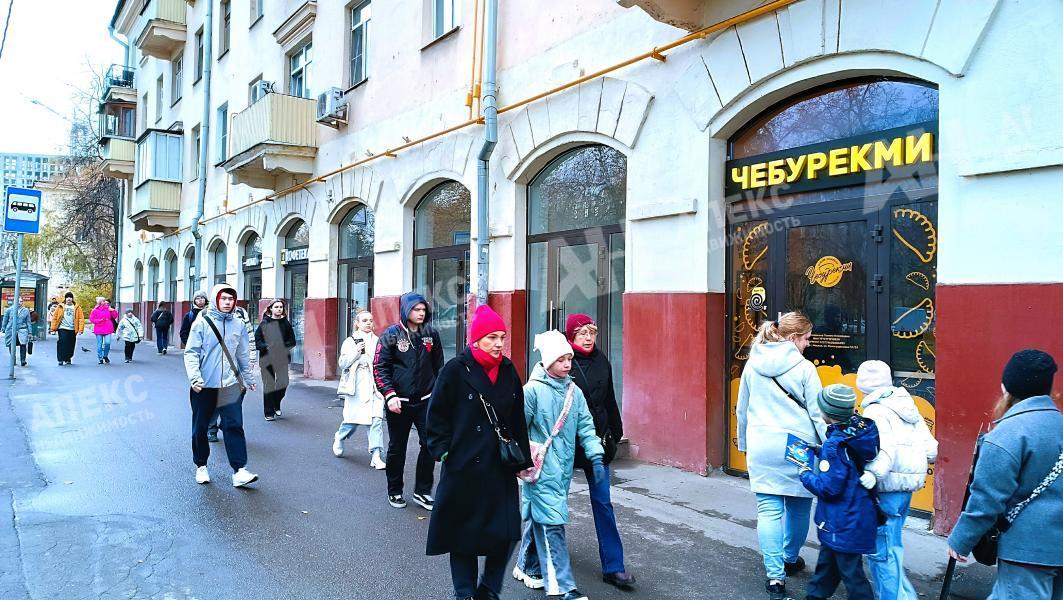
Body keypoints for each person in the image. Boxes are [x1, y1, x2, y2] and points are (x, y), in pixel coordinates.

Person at [426, 305, 532, 600]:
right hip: (463, 467)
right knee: (463, 536)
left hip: (499, 467)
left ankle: (489, 588)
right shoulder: (455, 370)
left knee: (508, 532)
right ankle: (465, 593)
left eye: (502, 337)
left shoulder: (508, 370)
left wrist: (522, 459)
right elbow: (436, 415)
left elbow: (517, 419)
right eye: (492, 338)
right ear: (476, 340)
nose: (499, 344)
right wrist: (443, 452)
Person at [948, 349, 1062, 599]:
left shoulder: (1006, 435)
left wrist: (961, 540)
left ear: (1005, 387)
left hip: (1027, 549)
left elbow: (987, 499)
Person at [735, 312, 826, 600]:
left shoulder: (753, 363)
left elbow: (742, 408)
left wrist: (744, 444)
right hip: (797, 446)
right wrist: (830, 446)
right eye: (806, 338)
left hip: (762, 444)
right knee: (798, 508)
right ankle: (790, 558)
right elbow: (818, 413)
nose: (808, 344)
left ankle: (775, 577)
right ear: (793, 338)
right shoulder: (805, 368)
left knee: (768, 510)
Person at [514, 330, 605, 600]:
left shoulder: (574, 392)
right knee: (552, 525)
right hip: (540, 470)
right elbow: (519, 429)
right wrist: (520, 460)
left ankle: (526, 566)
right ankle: (564, 587)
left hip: (562, 470)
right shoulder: (532, 391)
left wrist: (596, 455)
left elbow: (586, 426)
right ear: (547, 361)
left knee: (540, 518)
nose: (567, 364)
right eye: (561, 359)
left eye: (569, 359)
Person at [563, 313, 636, 590]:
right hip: (568, 444)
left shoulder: (602, 361)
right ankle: (540, 555)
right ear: (572, 336)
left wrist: (615, 433)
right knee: (555, 501)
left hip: (597, 444)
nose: (588, 338)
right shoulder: (563, 361)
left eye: (591, 332)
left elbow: (609, 400)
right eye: (582, 333)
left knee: (603, 502)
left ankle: (613, 567)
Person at [855, 360, 938, 600]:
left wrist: (872, 474)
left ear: (864, 386)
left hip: (886, 489)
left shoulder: (875, 411)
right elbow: (931, 450)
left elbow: (884, 452)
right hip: (906, 490)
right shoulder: (905, 404)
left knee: (882, 553)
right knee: (893, 547)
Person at [798, 384, 880, 600]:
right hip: (854, 514)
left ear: (828, 413)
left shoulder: (834, 445)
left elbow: (828, 488)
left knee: (852, 575)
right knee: (828, 565)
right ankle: (814, 597)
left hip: (842, 520)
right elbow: (846, 463)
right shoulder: (856, 430)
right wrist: (820, 451)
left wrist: (805, 473)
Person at [183, 283, 259, 488]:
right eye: (223, 298)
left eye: (230, 299)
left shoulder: (239, 324)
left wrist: (249, 378)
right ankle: (201, 465)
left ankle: (239, 470)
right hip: (204, 385)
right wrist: (195, 378)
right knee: (200, 427)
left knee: (234, 425)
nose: (227, 302)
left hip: (230, 384)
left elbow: (242, 354)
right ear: (216, 300)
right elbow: (191, 352)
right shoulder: (202, 322)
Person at [373, 291, 443, 510]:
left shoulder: (431, 334)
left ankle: (422, 491)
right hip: (398, 402)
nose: (421, 313)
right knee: (397, 447)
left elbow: (439, 367)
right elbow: (379, 367)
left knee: (429, 445)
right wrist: (389, 394)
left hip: (426, 401)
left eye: (423, 310)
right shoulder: (391, 335)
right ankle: (394, 491)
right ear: (406, 310)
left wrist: (439, 395)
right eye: (416, 309)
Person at [334, 309, 386, 468]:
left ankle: (376, 455)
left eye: (370, 320)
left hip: (375, 384)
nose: (368, 323)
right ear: (357, 323)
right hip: (356, 385)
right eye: (364, 320)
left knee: (376, 420)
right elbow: (342, 364)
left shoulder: (378, 341)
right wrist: (356, 353)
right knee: (352, 421)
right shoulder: (350, 341)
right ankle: (340, 437)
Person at [254, 299, 296, 421]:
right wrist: (266, 347)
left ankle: (276, 403)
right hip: (266, 359)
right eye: (276, 307)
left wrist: (282, 347)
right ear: (271, 309)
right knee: (269, 385)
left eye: (281, 307)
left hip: (282, 358)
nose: (279, 309)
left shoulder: (285, 323)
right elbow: (257, 340)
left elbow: (292, 341)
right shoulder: (264, 323)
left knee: (283, 382)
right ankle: (269, 412)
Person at [50, 292, 84, 365]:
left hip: (72, 329)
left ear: (72, 299)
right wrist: (53, 329)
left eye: (70, 297)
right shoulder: (60, 306)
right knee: (62, 343)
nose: (69, 299)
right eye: (67, 297)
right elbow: (55, 318)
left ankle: (68, 358)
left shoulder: (77, 307)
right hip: (62, 328)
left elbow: (81, 319)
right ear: (65, 299)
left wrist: (81, 329)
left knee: (71, 344)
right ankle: (60, 359)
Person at [88, 297, 119, 365]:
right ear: (100, 302)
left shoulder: (108, 309)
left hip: (108, 328)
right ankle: (100, 358)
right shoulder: (95, 310)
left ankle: (105, 355)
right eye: (103, 301)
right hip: (98, 329)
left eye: (105, 301)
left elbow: (115, 316)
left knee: (107, 343)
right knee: (99, 344)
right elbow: (92, 319)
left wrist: (113, 310)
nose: (105, 302)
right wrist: (99, 320)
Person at [1, 300, 32, 367]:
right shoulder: (9, 310)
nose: (19, 302)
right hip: (11, 330)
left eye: (21, 301)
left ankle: (23, 360)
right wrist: (3, 328)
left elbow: (28, 322)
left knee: (23, 344)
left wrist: (30, 332)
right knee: (11, 345)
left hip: (22, 330)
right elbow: (5, 320)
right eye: (18, 301)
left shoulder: (26, 310)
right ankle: (13, 360)